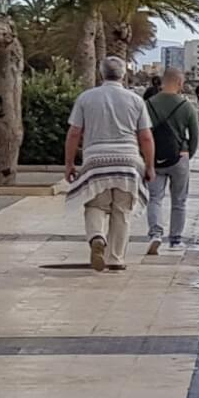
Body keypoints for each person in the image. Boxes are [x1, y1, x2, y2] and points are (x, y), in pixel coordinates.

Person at [64, 55, 154, 272]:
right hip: (128, 162)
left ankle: (97, 237)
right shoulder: (135, 100)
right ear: (123, 75)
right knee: (122, 210)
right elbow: (145, 137)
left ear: (101, 73)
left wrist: (69, 163)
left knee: (95, 205)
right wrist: (149, 165)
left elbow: (74, 133)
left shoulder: (86, 98)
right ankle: (115, 259)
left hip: (96, 161)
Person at [143, 67, 199, 256]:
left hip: (154, 159)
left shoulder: (148, 104)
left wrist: (146, 158)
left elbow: (142, 133)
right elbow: (195, 136)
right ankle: (175, 239)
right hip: (179, 157)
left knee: (154, 199)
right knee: (179, 201)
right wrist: (187, 155)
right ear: (179, 83)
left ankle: (155, 234)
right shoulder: (186, 106)